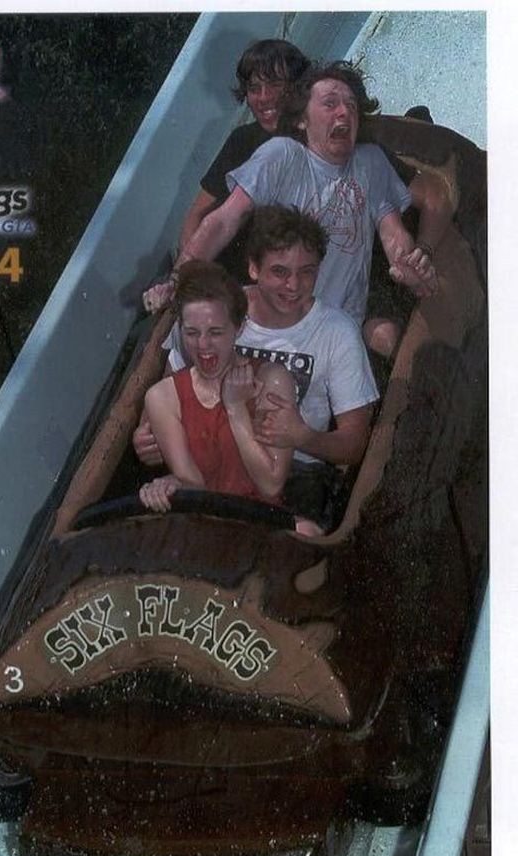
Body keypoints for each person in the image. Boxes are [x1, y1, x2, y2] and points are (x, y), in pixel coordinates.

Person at [146, 61, 451, 359]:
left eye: (351, 105)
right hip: (269, 319)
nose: (344, 112)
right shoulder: (283, 155)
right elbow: (223, 221)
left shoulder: (370, 162)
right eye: (330, 104)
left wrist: (410, 264)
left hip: (329, 333)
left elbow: (393, 232)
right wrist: (176, 279)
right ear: (303, 120)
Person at [137, 206, 379, 529]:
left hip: (297, 471)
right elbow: (169, 390)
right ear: (253, 268)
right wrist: (145, 435)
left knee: (301, 530)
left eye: (307, 272)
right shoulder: (215, 311)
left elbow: (355, 444)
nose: (293, 285)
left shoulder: (338, 332)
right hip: (208, 459)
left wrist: (302, 436)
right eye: (280, 272)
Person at [139, 259, 297, 517]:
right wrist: (169, 485)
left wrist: (236, 409)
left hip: (262, 521)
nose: (203, 345)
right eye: (192, 333)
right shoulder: (162, 397)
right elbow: (193, 486)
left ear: (239, 328)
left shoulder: (273, 380)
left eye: (215, 332)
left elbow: (270, 485)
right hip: (202, 522)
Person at [178, 39, 310, 282]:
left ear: (297, 87)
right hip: (227, 278)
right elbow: (196, 216)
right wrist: (191, 279)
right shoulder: (242, 139)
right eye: (254, 88)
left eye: (274, 85)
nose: (263, 97)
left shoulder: (320, 140)